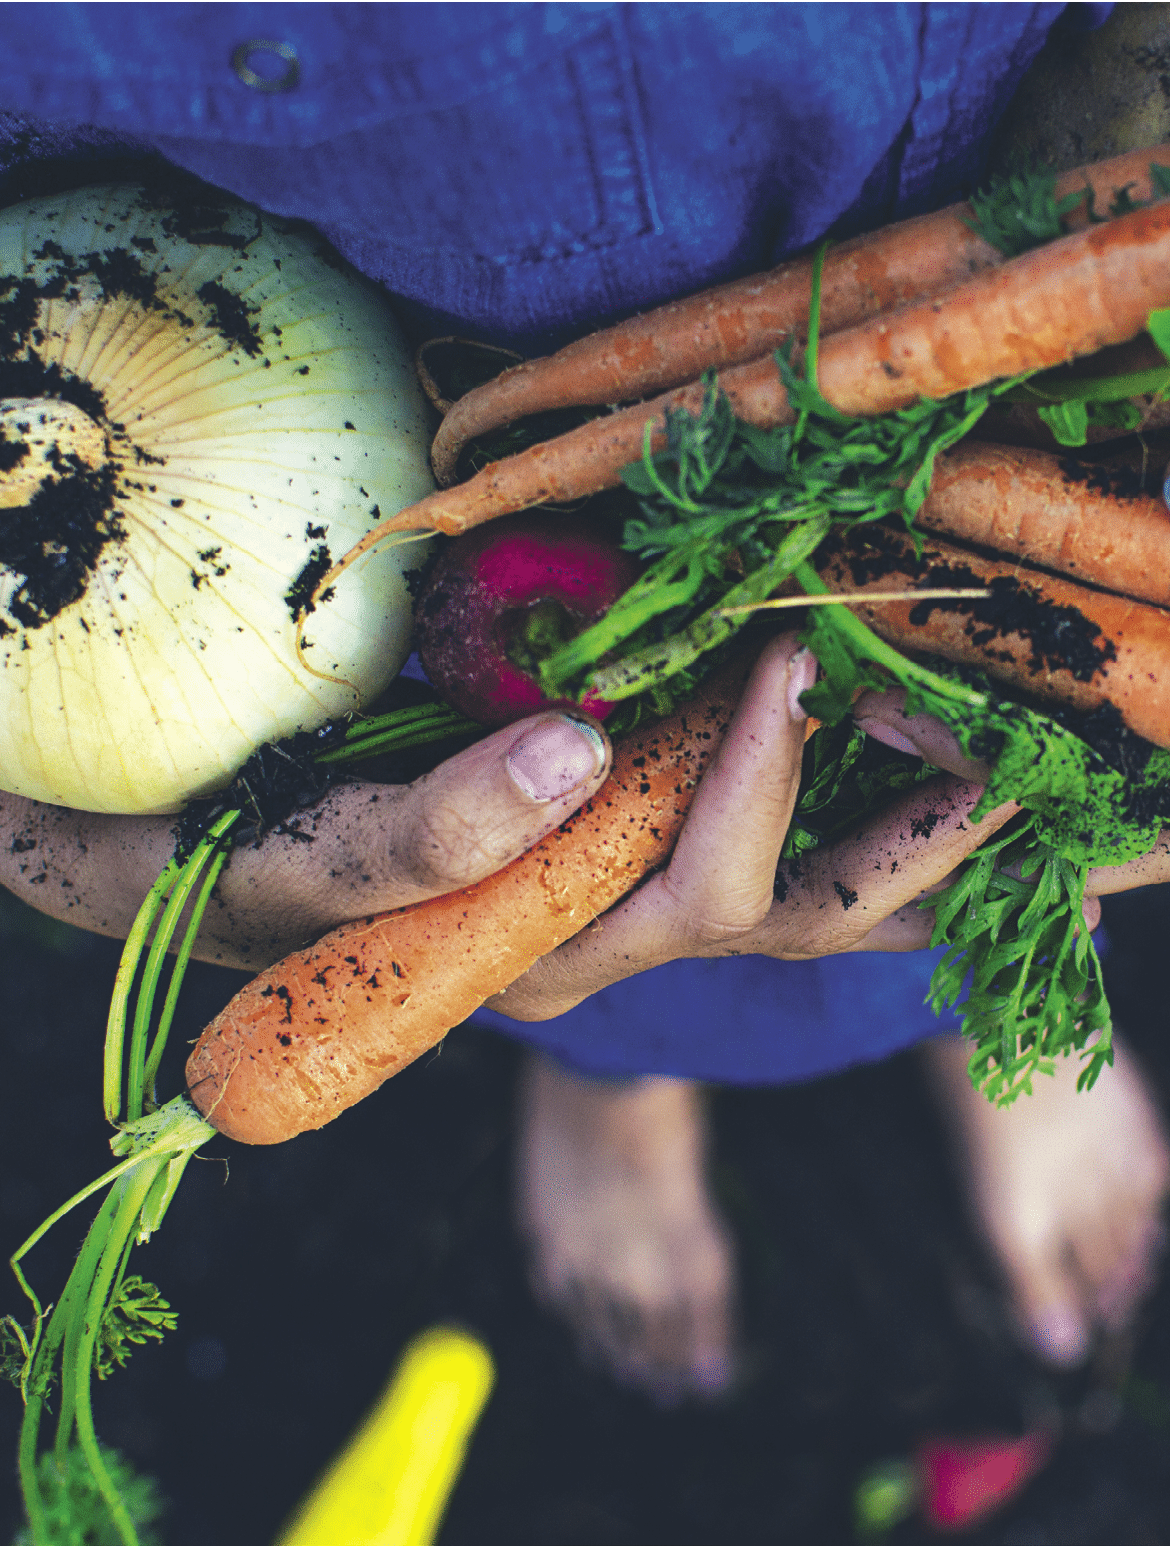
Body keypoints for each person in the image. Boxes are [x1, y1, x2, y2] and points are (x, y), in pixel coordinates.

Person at [0, 0, 1165, 1407]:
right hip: (368, 508)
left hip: (1055, 345)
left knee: (971, 797)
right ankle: (614, 1067)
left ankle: (980, 1015)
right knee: (530, 858)